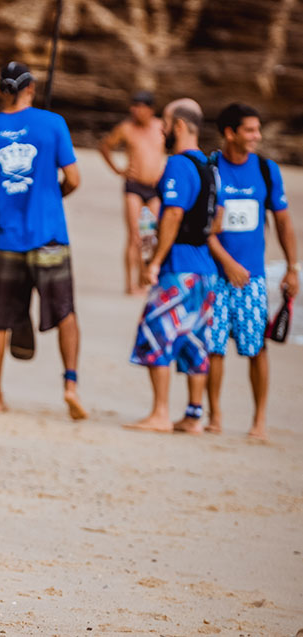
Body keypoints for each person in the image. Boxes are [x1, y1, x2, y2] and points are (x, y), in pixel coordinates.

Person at [0, 61, 86, 419]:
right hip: (49, 235)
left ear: (1, 92)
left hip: (9, 239)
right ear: (30, 88)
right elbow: (75, 178)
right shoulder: (53, 124)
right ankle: (70, 384)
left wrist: (6, 195)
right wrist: (50, 192)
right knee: (65, 312)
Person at [206, 103, 298, 440]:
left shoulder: (265, 169)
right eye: (250, 130)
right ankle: (215, 416)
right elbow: (202, 227)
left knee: (256, 347)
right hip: (216, 275)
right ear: (230, 133)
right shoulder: (211, 168)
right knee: (213, 347)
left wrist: (291, 269)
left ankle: (259, 421)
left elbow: (284, 222)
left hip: (253, 279)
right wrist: (227, 264)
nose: (257, 136)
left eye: (258, 129)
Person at [125, 98, 217, 434]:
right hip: (205, 269)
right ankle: (193, 414)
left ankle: (160, 413)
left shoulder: (178, 165)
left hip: (179, 267)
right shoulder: (210, 166)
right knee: (194, 340)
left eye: (165, 122)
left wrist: (155, 261)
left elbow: (174, 213)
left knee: (156, 334)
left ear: (178, 125)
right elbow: (216, 218)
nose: (161, 129)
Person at [99, 90, 166, 295]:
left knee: (150, 236)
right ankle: (130, 284)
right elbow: (105, 146)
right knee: (134, 236)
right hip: (134, 186)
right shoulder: (126, 129)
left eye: (139, 106)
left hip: (155, 188)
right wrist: (118, 169)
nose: (134, 110)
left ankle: (144, 278)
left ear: (150, 109)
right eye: (133, 106)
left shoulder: (160, 126)